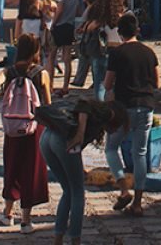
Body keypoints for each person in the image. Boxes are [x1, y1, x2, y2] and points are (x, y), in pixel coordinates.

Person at [39, 99, 128, 245]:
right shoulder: (108, 113)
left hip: (46, 138)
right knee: (77, 193)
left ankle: (58, 239)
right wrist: (80, 134)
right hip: (62, 141)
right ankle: (75, 240)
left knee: (68, 191)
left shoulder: (95, 120)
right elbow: (83, 105)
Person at [0, 34, 51, 233]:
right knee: (31, 170)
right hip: (34, 128)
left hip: (13, 127)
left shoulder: (10, 71)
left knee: (12, 167)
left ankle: (8, 213)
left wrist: (7, 98)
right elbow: (48, 104)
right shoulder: (41, 73)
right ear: (35, 51)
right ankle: (26, 220)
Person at [103, 13, 160, 217]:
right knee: (140, 153)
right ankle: (137, 202)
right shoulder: (149, 53)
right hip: (146, 106)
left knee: (111, 148)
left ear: (120, 33)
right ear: (138, 30)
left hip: (124, 108)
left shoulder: (117, 53)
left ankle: (123, 189)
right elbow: (157, 82)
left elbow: (107, 84)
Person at [50, 0, 82, 97]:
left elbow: (60, 9)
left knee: (52, 56)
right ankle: (65, 86)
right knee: (67, 58)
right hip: (69, 25)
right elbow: (78, 11)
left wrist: (53, 23)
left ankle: (50, 85)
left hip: (60, 25)